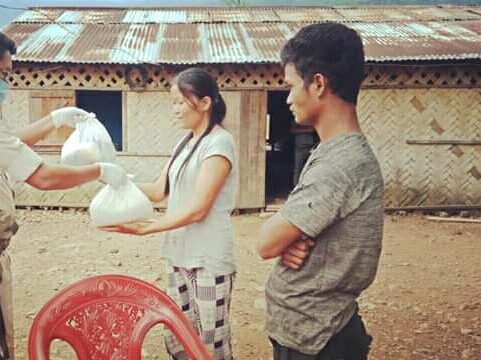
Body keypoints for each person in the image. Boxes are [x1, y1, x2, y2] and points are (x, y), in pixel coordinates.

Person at [0, 23, 127, 359]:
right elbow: (43, 177)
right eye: (1, 74)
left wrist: (55, 119)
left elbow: (5, 144)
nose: (4, 83)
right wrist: (100, 171)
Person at [255, 22, 384, 360]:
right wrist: (291, 241)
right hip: (313, 332)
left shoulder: (340, 165)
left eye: (291, 85)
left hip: (316, 340)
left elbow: (266, 242)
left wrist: (285, 239)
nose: (287, 97)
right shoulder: (332, 152)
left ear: (318, 84)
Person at [102, 67, 238, 360]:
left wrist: (147, 228)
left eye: (179, 102)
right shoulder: (184, 143)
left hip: (207, 258)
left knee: (209, 345)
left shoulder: (219, 143)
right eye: (172, 103)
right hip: (179, 253)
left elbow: (199, 209)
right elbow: (157, 190)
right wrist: (112, 182)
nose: (174, 110)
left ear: (205, 103)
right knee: (178, 338)